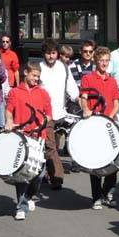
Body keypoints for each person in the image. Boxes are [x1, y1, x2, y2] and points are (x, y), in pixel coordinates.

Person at [5, 61, 52, 220]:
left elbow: (49, 114)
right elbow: (9, 111)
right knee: (22, 173)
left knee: (38, 174)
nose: (36, 79)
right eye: (34, 75)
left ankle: (31, 195)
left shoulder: (43, 93)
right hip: (22, 137)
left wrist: (46, 121)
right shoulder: (14, 92)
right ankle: (21, 207)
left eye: (38, 77)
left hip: (39, 138)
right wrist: (9, 122)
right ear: (26, 73)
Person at [80, 47, 119, 210]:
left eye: (106, 60)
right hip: (93, 125)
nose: (104, 63)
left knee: (114, 160)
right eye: (101, 60)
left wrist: (110, 117)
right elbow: (83, 98)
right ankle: (96, 197)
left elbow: (116, 104)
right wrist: (85, 109)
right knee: (95, 162)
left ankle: (108, 193)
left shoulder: (112, 81)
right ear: (96, 61)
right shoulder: (88, 79)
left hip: (109, 124)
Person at [39, 39, 79, 189]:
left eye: (53, 53)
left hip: (61, 113)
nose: (51, 56)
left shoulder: (63, 67)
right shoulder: (39, 68)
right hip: (44, 115)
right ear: (44, 54)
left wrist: (80, 100)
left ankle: (45, 174)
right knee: (50, 146)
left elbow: (72, 89)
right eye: (48, 53)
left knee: (51, 146)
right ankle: (57, 177)